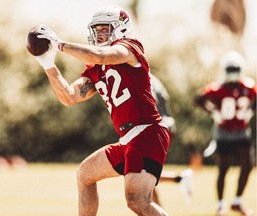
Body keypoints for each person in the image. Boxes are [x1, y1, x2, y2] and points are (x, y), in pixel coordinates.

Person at [33, 5, 171, 216]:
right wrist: (48, 64)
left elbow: (101, 55)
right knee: (85, 175)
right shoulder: (95, 70)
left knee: (137, 200)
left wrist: (59, 44)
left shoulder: (129, 47)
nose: (99, 34)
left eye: (104, 29)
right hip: (127, 138)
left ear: (121, 28)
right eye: (96, 30)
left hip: (147, 131)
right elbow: (69, 97)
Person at [194, 51, 256, 216]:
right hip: (224, 132)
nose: (233, 72)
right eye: (230, 69)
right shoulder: (217, 88)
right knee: (224, 168)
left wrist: (250, 111)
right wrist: (213, 111)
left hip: (242, 132)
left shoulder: (249, 87)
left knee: (248, 164)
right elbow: (198, 99)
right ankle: (221, 204)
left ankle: (237, 201)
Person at [150, 74, 193, 206]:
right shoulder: (153, 78)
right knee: (144, 173)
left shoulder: (140, 76)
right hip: (164, 126)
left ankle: (179, 179)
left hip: (155, 128)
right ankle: (179, 178)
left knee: (141, 174)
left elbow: (151, 103)